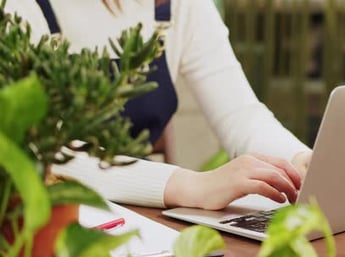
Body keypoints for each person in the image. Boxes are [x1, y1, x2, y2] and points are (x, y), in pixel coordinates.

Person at [6, 0, 312, 210]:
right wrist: (187, 185)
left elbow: (242, 116)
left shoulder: (179, 6)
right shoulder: (20, 7)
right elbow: (46, 154)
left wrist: (298, 161)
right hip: (46, 220)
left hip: (145, 218)